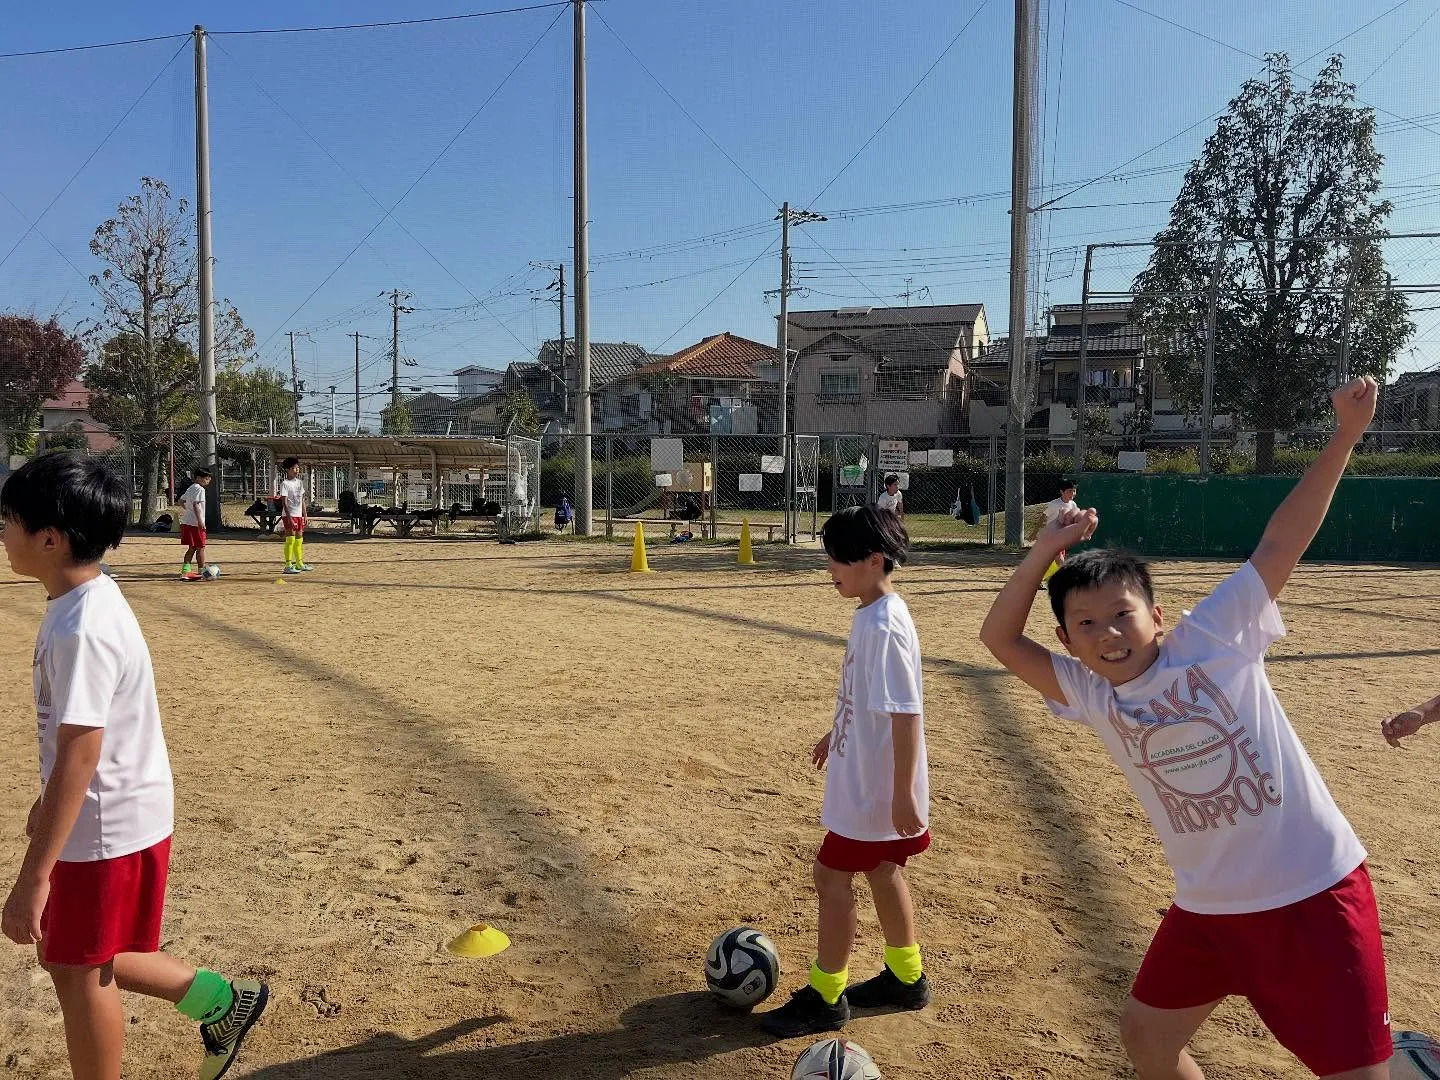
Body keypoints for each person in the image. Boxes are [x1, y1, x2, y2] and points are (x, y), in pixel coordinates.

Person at [979, 377, 1389, 1079]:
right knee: (1148, 1036)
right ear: (1067, 641)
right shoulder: (1092, 693)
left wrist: (1345, 436)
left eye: (1123, 614)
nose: (1108, 634)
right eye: (1086, 624)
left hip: (1311, 892)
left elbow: (1280, 542)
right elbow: (999, 638)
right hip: (1208, 906)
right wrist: (1045, 549)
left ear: (1157, 616)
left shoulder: (1213, 638)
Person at [0, 451, 269, 1080]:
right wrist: (45, 803)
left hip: (104, 825)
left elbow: (82, 751)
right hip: (109, 814)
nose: (2, 534)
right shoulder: (81, 599)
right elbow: (81, 740)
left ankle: (219, 1002)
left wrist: (33, 876)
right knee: (79, 953)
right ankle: (221, 1001)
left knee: (77, 969)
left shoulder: (81, 628)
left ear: (50, 538)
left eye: (8, 521)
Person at [759, 505, 931, 1038]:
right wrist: (837, 731)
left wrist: (901, 795)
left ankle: (826, 995)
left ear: (874, 560)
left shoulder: (885, 625)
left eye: (838, 558)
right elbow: (868, 697)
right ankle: (906, 977)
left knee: (831, 876)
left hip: (873, 790)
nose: (829, 568)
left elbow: (906, 713)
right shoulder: (872, 614)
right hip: (867, 775)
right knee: (883, 870)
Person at [1038, 478, 1079, 586]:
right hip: (1051, 535)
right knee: (1059, 559)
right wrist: (1036, 531)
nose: (1073, 494)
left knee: (1051, 560)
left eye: (1074, 491)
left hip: (1062, 536)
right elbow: (1043, 517)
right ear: (1062, 491)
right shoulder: (1054, 504)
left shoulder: (1073, 504)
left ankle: (1039, 579)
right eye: (1069, 491)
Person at [278, 456, 311, 574]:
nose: (296, 470)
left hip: (298, 515)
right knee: (290, 539)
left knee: (299, 539)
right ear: (287, 470)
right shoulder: (285, 484)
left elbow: (302, 500)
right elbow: (284, 502)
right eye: (293, 468)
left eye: (297, 468)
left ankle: (299, 563)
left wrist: (305, 515)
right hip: (289, 515)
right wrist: (289, 518)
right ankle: (288, 565)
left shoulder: (299, 483)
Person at [179, 467, 212, 582]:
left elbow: (180, 501)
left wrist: (188, 510)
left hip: (187, 522)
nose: (208, 481)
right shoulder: (200, 489)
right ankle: (201, 571)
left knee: (192, 547)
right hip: (196, 524)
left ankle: (185, 571)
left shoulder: (191, 488)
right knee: (201, 547)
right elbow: (196, 505)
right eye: (206, 478)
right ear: (198, 478)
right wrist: (200, 521)